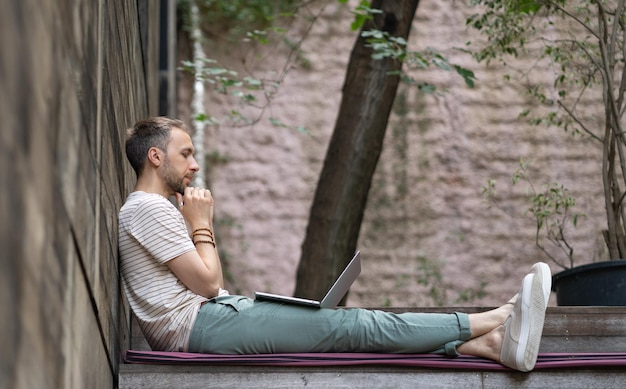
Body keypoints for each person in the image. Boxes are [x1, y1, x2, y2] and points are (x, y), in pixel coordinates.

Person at [118, 116, 552, 372]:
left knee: (347, 324)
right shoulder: (148, 208)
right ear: (155, 157)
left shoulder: (152, 210)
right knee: (354, 325)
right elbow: (209, 284)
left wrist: (194, 223)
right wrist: (201, 223)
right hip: (201, 326)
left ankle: (488, 346)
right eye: (185, 154)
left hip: (209, 323)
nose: (194, 165)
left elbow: (208, 287)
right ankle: (497, 317)